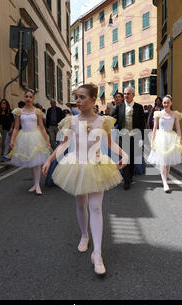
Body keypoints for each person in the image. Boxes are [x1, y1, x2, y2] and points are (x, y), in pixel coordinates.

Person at [42, 84, 128, 276]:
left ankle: (97, 254)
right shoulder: (71, 121)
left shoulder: (104, 121)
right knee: (81, 204)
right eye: (76, 97)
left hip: (97, 165)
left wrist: (124, 154)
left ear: (93, 100)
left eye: (81, 97)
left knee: (96, 207)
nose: (78, 101)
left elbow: (110, 143)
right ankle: (84, 234)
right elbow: (63, 145)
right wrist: (49, 160)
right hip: (77, 165)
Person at [8, 90, 51, 195]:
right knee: (32, 162)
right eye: (26, 96)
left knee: (36, 162)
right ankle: (35, 184)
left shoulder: (37, 111)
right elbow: (16, 128)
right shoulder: (19, 111)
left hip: (35, 137)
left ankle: (37, 185)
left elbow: (42, 127)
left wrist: (47, 140)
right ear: (24, 98)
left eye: (30, 97)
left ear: (33, 99)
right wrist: (12, 140)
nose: (28, 99)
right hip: (24, 138)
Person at [147, 95, 182, 193]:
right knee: (163, 162)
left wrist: (180, 138)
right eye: (164, 102)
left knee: (167, 163)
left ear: (171, 103)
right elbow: (155, 128)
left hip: (171, 138)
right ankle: (165, 182)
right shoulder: (158, 114)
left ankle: (165, 179)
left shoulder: (175, 115)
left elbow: (178, 128)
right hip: (161, 138)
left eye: (167, 102)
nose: (165, 104)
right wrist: (152, 140)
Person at [111, 86, 145, 190]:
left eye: (128, 94)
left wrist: (141, 139)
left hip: (135, 136)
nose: (126, 96)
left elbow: (142, 124)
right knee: (125, 157)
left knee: (132, 158)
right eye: (125, 94)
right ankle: (126, 180)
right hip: (123, 136)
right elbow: (112, 119)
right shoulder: (119, 107)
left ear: (133, 95)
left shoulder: (139, 107)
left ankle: (129, 177)